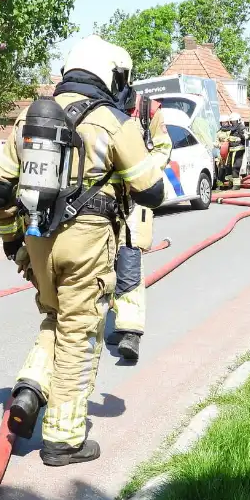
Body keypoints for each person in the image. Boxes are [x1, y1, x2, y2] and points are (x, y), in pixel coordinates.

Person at [0, 34, 166, 467]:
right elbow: (152, 191)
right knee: (80, 334)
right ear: (108, 73)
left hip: (37, 239)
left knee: (54, 315)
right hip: (86, 243)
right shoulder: (111, 120)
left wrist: (13, 241)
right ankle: (64, 440)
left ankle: (29, 390)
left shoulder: (30, 118)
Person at [107, 87, 172, 362]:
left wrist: (142, 173)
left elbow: (163, 147)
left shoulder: (149, 111)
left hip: (136, 196)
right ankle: (119, 320)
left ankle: (131, 331)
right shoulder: (98, 107)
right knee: (107, 261)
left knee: (129, 258)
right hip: (105, 198)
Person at [217, 113, 247, 187]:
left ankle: (236, 185)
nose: (233, 123)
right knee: (228, 167)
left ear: (238, 121)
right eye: (232, 121)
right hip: (229, 151)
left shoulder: (241, 128)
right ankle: (230, 183)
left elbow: (247, 136)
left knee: (236, 167)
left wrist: (240, 137)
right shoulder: (230, 129)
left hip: (239, 150)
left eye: (234, 121)